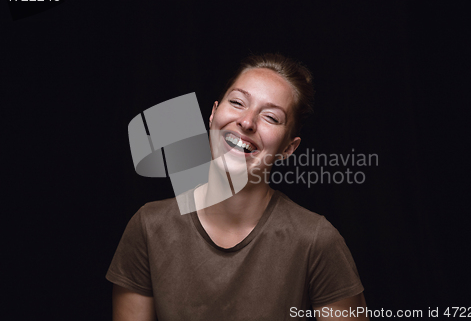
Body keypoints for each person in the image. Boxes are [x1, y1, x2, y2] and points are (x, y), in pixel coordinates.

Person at [106, 53, 369, 320]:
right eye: (237, 102)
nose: (246, 122)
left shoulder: (316, 241)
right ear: (213, 114)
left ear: (288, 148)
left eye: (271, 117)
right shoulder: (149, 227)